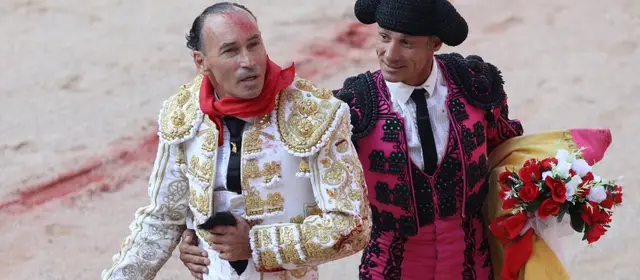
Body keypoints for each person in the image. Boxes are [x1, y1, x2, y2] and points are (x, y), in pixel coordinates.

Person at [179, 0, 525, 279]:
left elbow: (507, 157)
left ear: (434, 44)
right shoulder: (352, 106)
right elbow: (282, 181)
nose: (390, 54)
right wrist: (200, 232)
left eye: (406, 42)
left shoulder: (474, 85)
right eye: (384, 37)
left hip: (475, 265)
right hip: (388, 269)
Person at [100, 2, 371, 280]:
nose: (249, 61)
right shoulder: (183, 114)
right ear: (201, 62)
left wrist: (257, 245)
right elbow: (162, 218)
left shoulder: (315, 115)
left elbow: (352, 225)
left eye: (254, 45)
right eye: (231, 51)